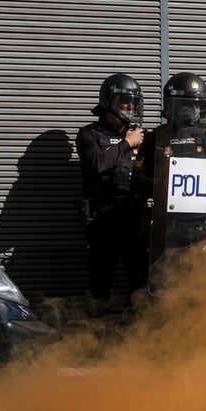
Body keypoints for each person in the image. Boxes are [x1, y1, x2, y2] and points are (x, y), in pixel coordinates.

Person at [142, 71, 206, 292]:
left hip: (202, 224)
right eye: (190, 105)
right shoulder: (157, 137)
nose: (195, 109)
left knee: (203, 282)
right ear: (173, 106)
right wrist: (161, 184)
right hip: (167, 225)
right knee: (167, 283)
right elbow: (139, 179)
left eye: (198, 104)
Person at [76, 73, 149, 310]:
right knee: (101, 274)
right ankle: (95, 324)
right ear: (109, 102)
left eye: (133, 103)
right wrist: (127, 144)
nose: (130, 108)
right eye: (124, 102)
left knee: (139, 273)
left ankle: (141, 323)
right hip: (104, 216)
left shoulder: (141, 136)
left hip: (135, 215)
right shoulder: (89, 134)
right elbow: (97, 164)